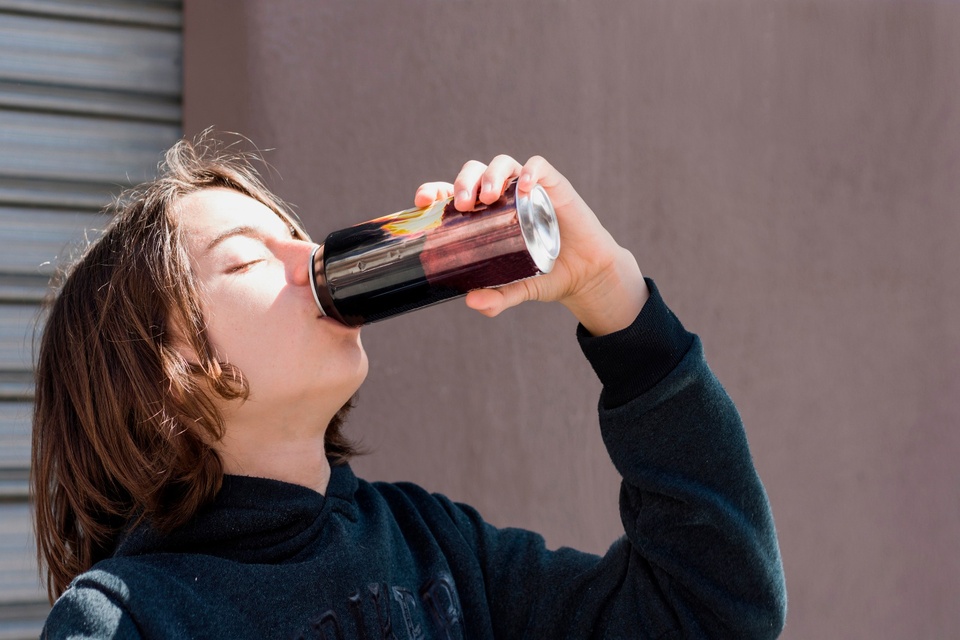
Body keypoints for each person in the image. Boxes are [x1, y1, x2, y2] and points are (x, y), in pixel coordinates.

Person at [33, 135, 787, 639]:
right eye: (245, 260)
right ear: (164, 377)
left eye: (299, 234)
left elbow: (713, 611)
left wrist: (614, 300)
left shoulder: (435, 549)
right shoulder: (123, 618)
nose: (314, 258)